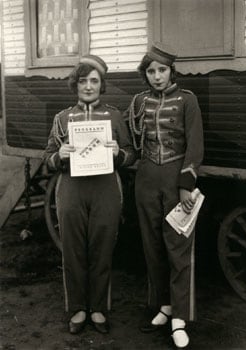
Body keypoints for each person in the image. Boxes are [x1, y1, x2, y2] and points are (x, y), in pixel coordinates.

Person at [44, 55, 136, 335]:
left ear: (101, 84)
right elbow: (47, 157)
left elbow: (131, 154)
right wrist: (58, 155)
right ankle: (78, 309)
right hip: (71, 188)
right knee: (72, 251)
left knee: (102, 248)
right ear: (75, 84)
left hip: (106, 188)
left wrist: (117, 153)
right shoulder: (62, 118)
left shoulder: (114, 116)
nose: (88, 86)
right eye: (83, 80)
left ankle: (97, 308)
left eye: (94, 81)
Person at [126, 42, 204, 349]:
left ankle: (180, 318)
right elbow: (129, 137)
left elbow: (195, 146)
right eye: (151, 71)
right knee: (153, 246)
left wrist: (186, 182)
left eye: (162, 70)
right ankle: (164, 306)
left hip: (175, 180)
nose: (156, 76)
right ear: (145, 74)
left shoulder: (187, 100)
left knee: (178, 249)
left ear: (171, 71)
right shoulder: (138, 102)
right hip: (146, 179)